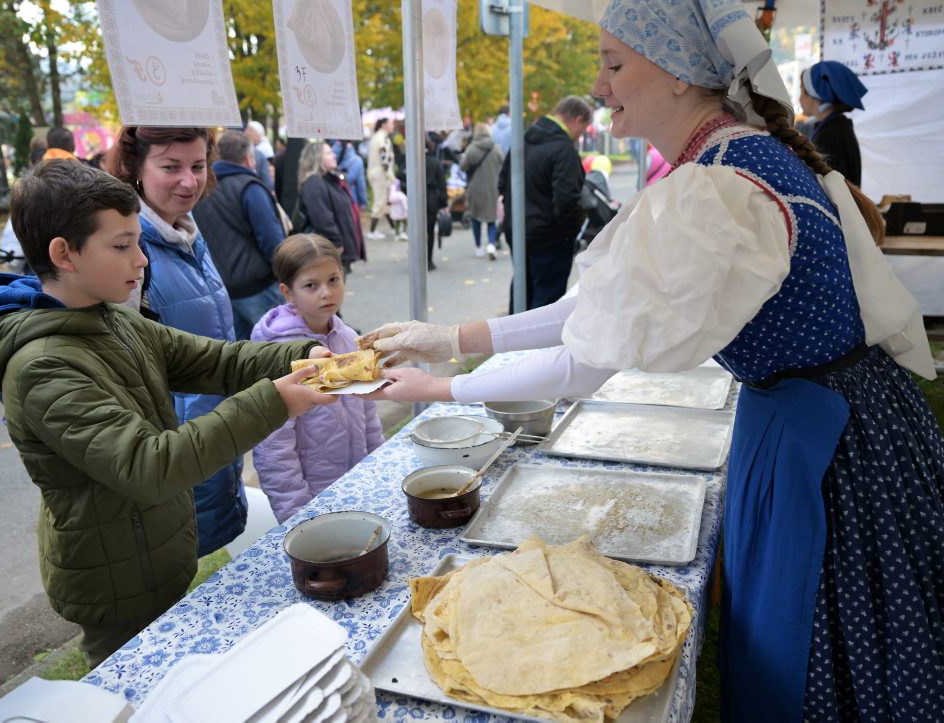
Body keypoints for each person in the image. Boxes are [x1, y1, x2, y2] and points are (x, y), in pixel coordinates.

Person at [361, 1, 944, 720]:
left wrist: (440, 387)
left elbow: (584, 361)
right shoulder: (731, 158)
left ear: (678, 76)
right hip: (835, 420)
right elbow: (594, 309)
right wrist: (449, 338)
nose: (599, 86)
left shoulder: (721, 185)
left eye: (614, 64)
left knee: (823, 639)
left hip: (825, 447)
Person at [0, 159, 333, 667]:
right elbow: (149, 465)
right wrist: (277, 400)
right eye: (122, 246)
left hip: (158, 552)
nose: (141, 260)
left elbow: (216, 359)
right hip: (115, 581)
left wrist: (302, 355)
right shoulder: (42, 368)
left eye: (138, 240)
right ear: (63, 254)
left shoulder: (114, 318)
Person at [107, 126, 249, 557]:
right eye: (171, 167)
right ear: (135, 168)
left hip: (214, 443)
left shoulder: (188, 233)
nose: (189, 181)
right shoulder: (127, 252)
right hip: (174, 459)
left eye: (198, 165)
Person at [250, 234, 383, 522]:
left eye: (333, 280)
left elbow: (367, 409)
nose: (326, 292)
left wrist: (377, 467)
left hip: (358, 484)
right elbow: (273, 443)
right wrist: (298, 513)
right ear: (288, 292)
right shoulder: (277, 353)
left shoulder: (349, 338)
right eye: (311, 285)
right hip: (312, 498)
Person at [192, 130, 286, 340]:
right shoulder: (250, 187)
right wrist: (288, 275)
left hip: (222, 290)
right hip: (259, 288)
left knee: (246, 358)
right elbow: (272, 241)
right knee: (282, 349)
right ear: (249, 158)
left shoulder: (201, 190)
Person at [498, 96, 589, 310]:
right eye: (583, 129)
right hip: (551, 239)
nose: (580, 136)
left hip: (519, 233)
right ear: (578, 119)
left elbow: (502, 183)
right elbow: (567, 200)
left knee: (521, 293)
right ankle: (535, 345)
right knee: (546, 304)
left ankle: (513, 343)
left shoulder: (523, 140)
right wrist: (570, 231)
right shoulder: (563, 149)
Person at [297, 140, 364, 274]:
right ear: (317, 158)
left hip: (334, 250)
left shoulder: (329, 180)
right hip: (327, 251)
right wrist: (336, 243)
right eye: (328, 153)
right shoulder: (314, 183)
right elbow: (322, 218)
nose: (334, 155)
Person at [799, 60, 868, 187]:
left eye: (802, 90)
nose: (799, 98)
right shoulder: (837, 127)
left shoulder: (830, 135)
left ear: (816, 94)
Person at [460, 123, 503, 260]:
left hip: (475, 188)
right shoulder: (496, 148)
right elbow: (503, 166)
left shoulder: (471, 149)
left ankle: (478, 247)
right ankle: (491, 243)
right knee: (491, 218)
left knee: (476, 218)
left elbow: (463, 166)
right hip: (493, 188)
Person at [366, 118, 396, 240]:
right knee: (381, 201)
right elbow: (385, 157)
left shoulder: (378, 137)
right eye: (391, 123)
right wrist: (389, 174)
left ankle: (394, 228)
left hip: (377, 173)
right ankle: (372, 231)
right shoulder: (381, 138)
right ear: (384, 125)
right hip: (380, 174)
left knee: (385, 202)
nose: (392, 125)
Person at [424, 135, 448, 272]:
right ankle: (429, 260)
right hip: (431, 198)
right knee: (430, 231)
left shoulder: (414, 162)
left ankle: (417, 258)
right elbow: (442, 184)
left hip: (417, 198)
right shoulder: (435, 162)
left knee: (417, 231)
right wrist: (443, 202)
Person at [244, 120, 276, 192]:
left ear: (258, 134)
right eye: (247, 129)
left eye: (250, 130)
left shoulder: (264, 148)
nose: (246, 132)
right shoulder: (254, 148)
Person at [338, 140, 367, 210]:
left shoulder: (329, 153)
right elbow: (361, 185)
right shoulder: (357, 160)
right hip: (351, 199)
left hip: (332, 200)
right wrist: (363, 202)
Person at [388, 177, 408, 242]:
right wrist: (406, 209)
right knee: (405, 222)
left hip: (395, 213)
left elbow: (390, 202)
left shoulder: (391, 195)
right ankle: (403, 233)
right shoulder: (401, 195)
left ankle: (397, 234)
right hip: (402, 213)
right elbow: (404, 203)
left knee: (397, 224)